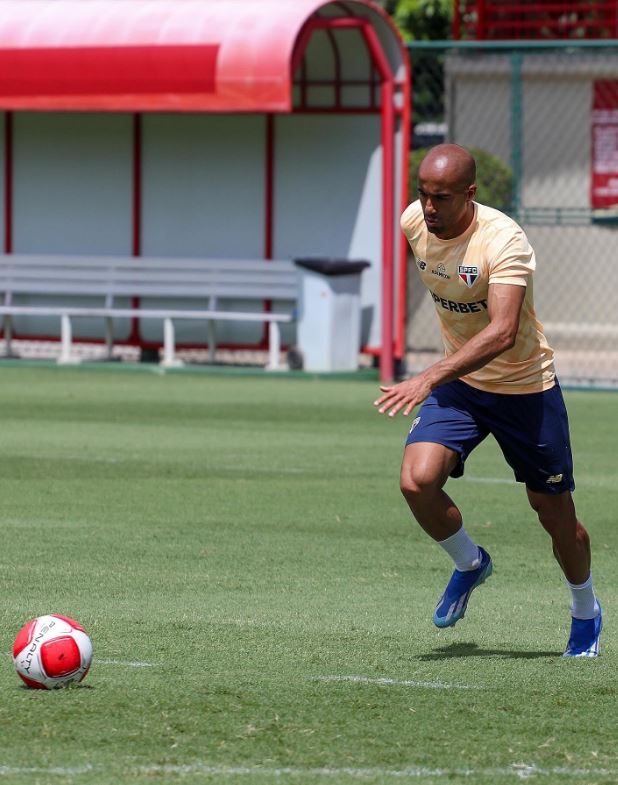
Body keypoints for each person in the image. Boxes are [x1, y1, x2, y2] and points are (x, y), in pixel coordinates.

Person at [374, 144, 602, 657]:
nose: (429, 208)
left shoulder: (504, 241)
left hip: (526, 388)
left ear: (470, 194)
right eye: (423, 195)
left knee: (553, 513)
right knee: (417, 481)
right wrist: (440, 377)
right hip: (463, 385)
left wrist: (426, 377)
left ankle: (585, 610)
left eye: (442, 198)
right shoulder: (416, 223)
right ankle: (470, 563)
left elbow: (501, 333)